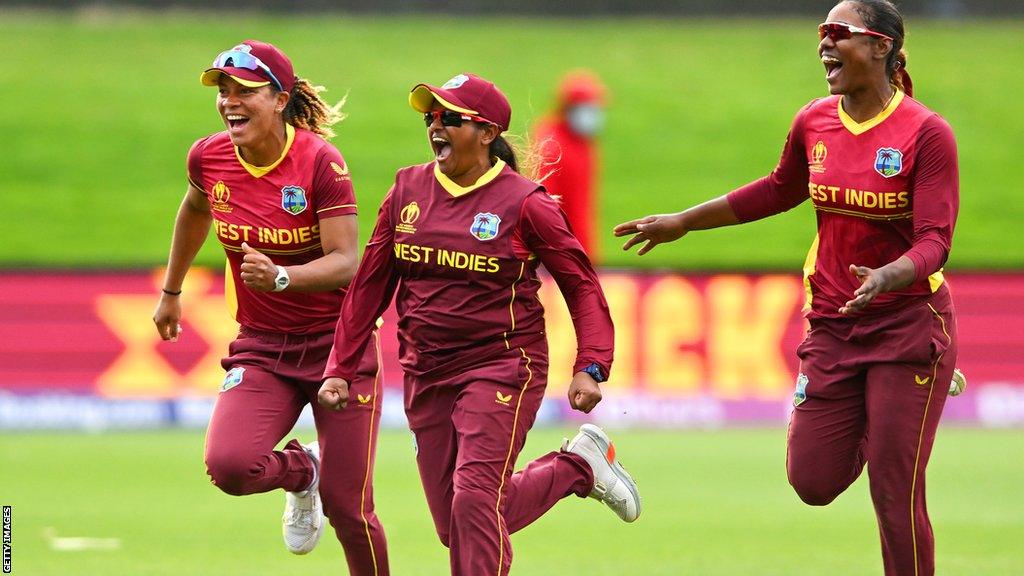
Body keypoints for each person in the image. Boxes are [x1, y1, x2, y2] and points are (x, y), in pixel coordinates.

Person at [614, 2, 958, 575]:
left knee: (894, 490)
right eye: (821, 33)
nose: (823, 44)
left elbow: (934, 243)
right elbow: (777, 190)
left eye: (838, 33)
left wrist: (888, 275)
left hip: (907, 323)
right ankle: (886, 413)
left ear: (881, 47)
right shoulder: (814, 122)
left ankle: (911, 396)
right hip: (833, 325)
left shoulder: (927, 133)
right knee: (812, 480)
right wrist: (683, 221)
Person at [317, 73, 641, 575]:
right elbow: (369, 286)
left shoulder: (524, 202)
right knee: (457, 523)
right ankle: (578, 467)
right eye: (431, 117)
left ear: (487, 132)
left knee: (473, 501)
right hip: (426, 371)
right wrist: (340, 365)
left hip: (503, 364)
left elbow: (581, 285)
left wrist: (592, 365)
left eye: (450, 118)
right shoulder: (407, 189)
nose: (436, 126)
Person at [152, 40, 389, 575]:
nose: (230, 101)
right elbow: (195, 207)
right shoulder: (208, 156)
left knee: (350, 510)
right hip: (262, 345)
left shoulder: (320, 163)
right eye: (223, 90)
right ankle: (301, 470)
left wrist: (284, 277)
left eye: (245, 91)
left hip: (339, 347)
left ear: (280, 99)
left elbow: (347, 261)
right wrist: (172, 290)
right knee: (230, 466)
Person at [534, 70, 607, 260]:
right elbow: (546, 205)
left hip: (581, 246)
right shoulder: (552, 147)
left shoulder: (583, 143)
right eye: (588, 108)